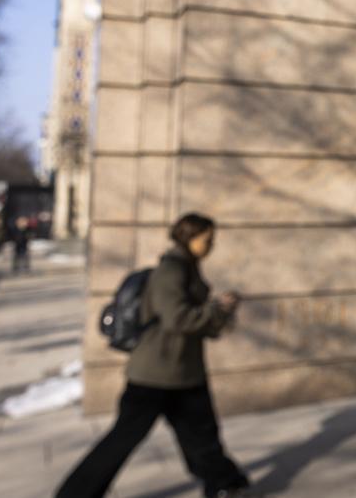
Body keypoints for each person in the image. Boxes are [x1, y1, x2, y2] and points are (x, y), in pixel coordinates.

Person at [56, 213, 250, 498]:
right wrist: (216, 309)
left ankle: (225, 484)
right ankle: (75, 494)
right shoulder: (172, 270)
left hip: (182, 371)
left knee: (201, 436)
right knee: (124, 438)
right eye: (206, 239)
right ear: (189, 237)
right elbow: (177, 319)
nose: (211, 245)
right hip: (156, 375)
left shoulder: (188, 267)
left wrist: (217, 312)